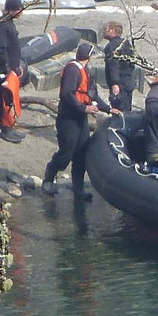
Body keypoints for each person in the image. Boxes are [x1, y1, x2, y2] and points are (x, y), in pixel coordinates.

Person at [44, 41, 114, 199]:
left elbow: (92, 95)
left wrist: (108, 109)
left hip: (80, 119)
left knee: (81, 152)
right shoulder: (73, 71)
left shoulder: (86, 71)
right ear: (88, 57)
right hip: (68, 118)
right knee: (66, 152)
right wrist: (84, 108)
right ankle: (49, 177)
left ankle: (78, 188)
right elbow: (67, 94)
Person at [0, 0, 25, 143]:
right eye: (18, 9)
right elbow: (1, 49)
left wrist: (17, 66)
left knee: (10, 100)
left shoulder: (8, 23)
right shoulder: (1, 26)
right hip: (5, 69)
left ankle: (9, 126)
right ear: (11, 10)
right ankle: (5, 129)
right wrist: (6, 69)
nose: (20, 12)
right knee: (4, 100)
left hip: (12, 67)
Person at [102, 21, 139, 113]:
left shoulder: (111, 47)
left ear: (112, 30)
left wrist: (115, 84)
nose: (103, 32)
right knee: (127, 110)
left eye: (106, 29)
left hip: (119, 85)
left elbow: (113, 66)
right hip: (128, 83)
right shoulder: (126, 43)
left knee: (118, 111)